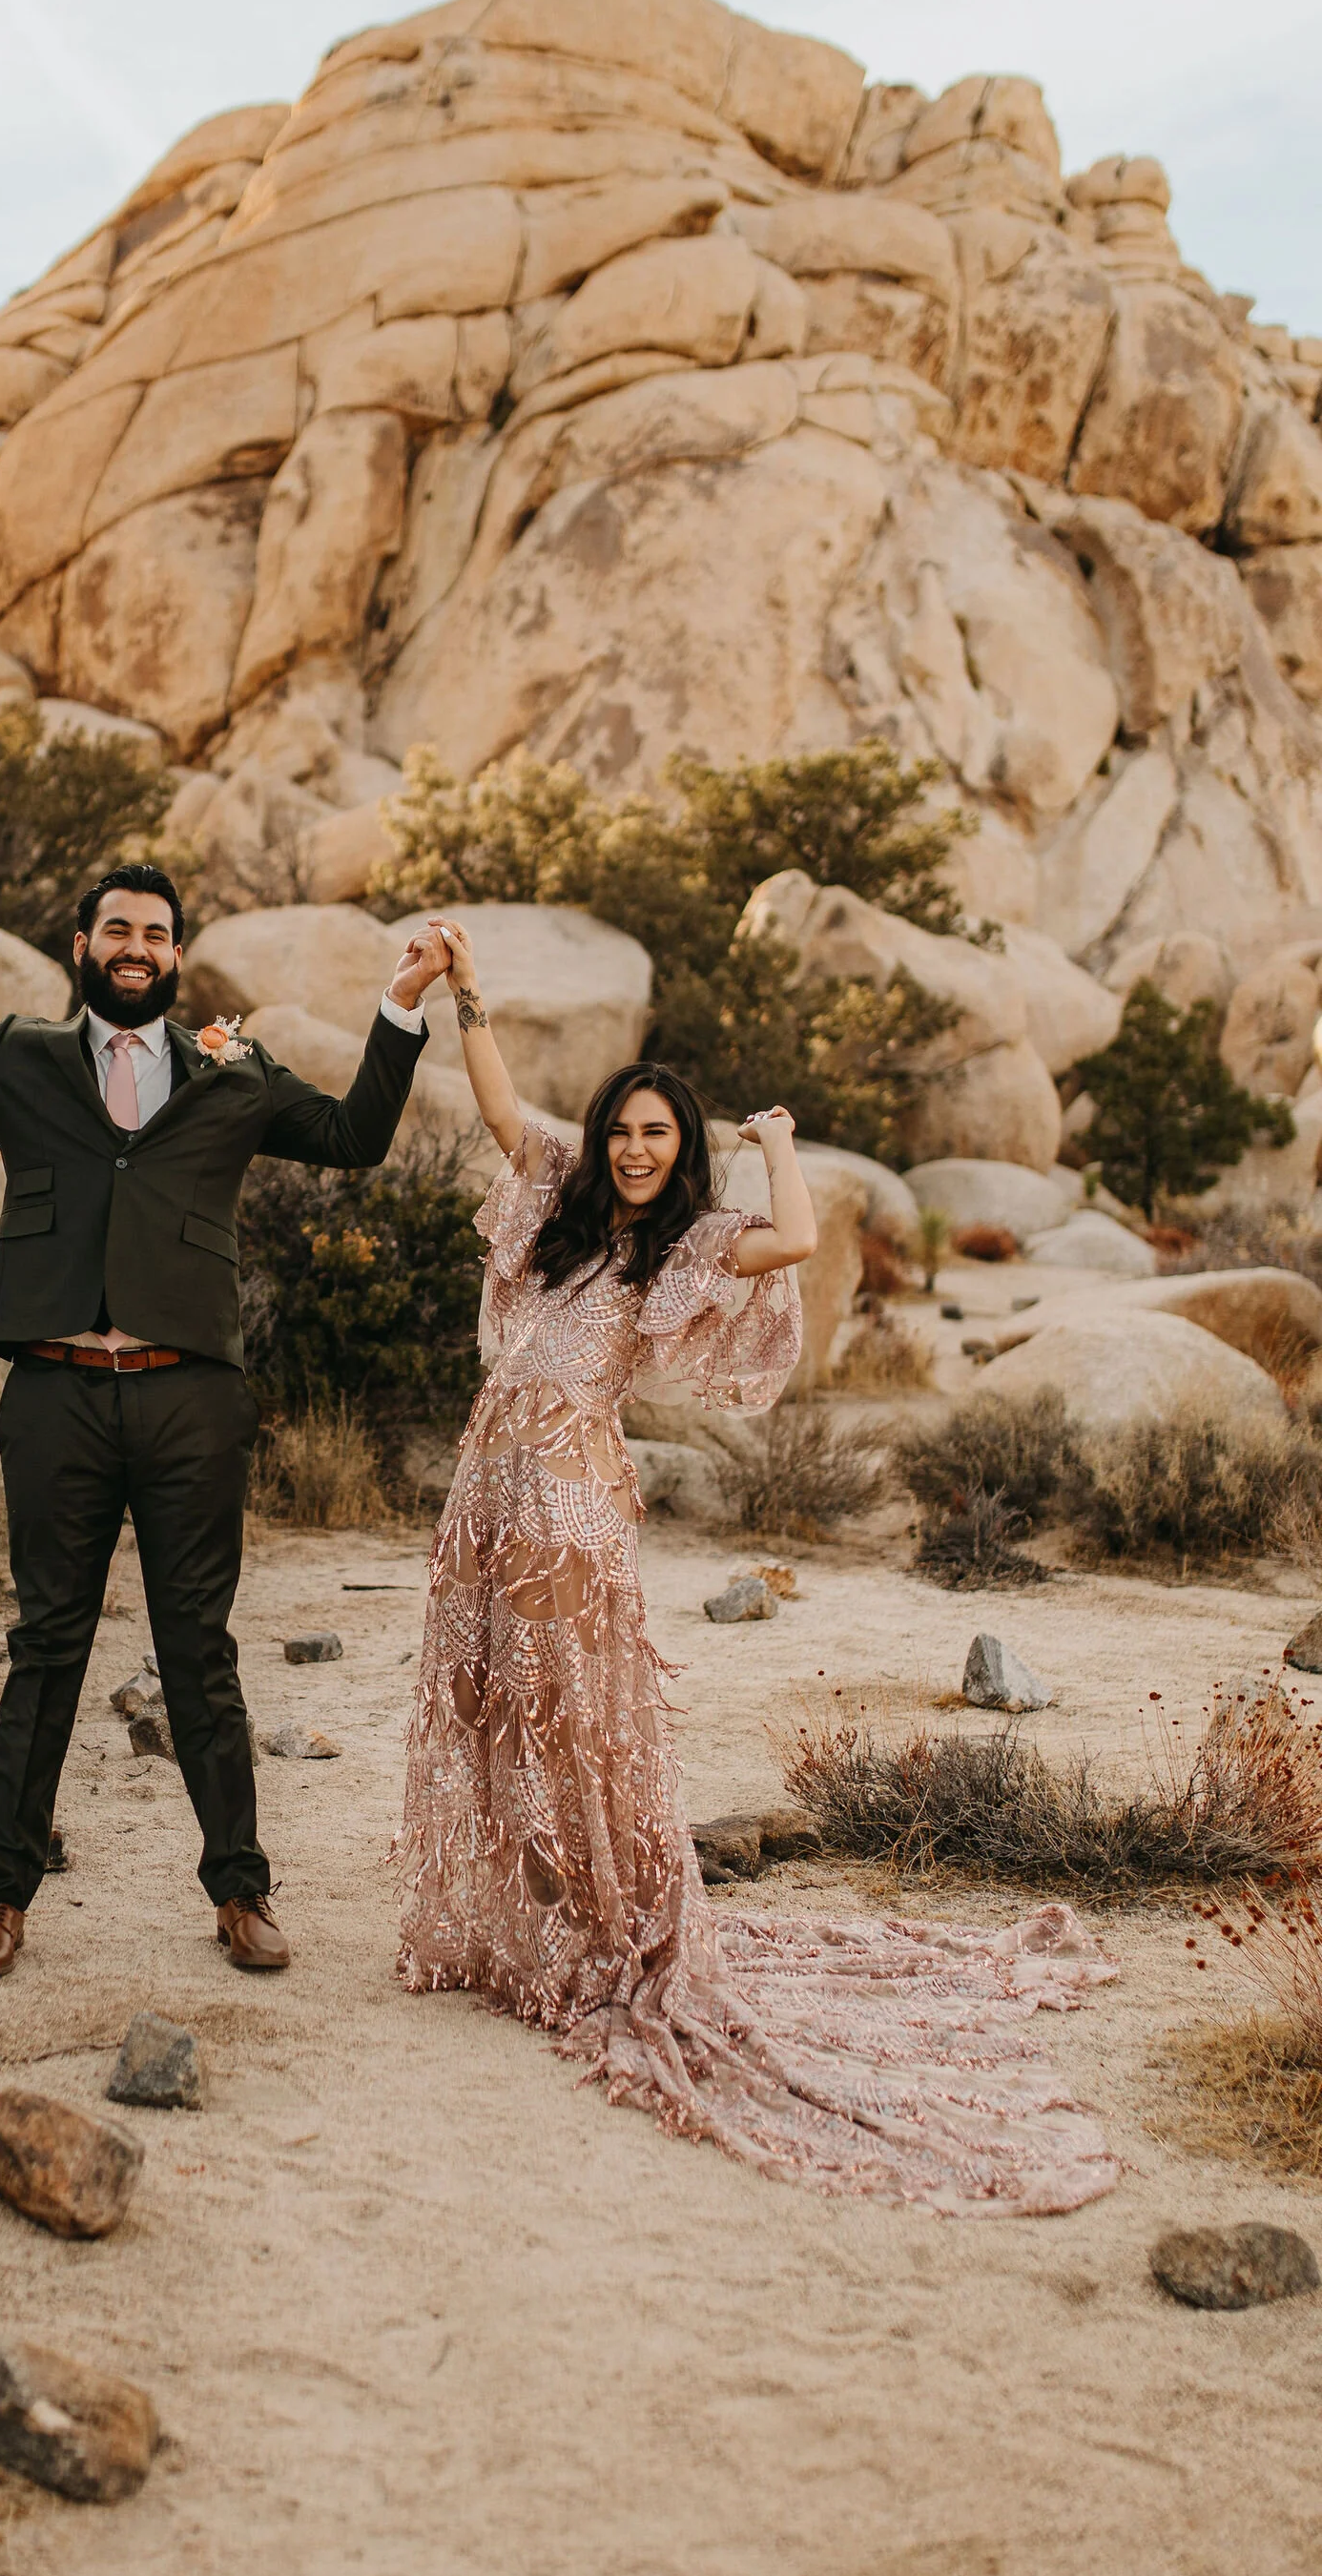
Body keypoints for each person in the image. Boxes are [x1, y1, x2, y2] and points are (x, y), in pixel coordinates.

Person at [397, 918, 1119, 2216]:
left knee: (570, 1701)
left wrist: (777, 1147)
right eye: (624, 1128)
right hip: (487, 1479)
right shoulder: (563, 1203)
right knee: (491, 1691)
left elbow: (791, 1245)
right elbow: (504, 1111)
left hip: (568, 1487)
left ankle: (610, 1921)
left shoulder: (686, 1246)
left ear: (680, 1152)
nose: (631, 1148)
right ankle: (532, 1912)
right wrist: (468, 991)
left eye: (655, 1136)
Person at [0, 843, 448, 1980]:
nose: (136, 951)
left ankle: (240, 1890)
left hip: (189, 1401)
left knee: (199, 1657)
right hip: (55, 1397)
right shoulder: (17, 1060)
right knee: (44, 1651)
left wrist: (399, 1003)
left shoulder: (233, 1069)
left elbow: (353, 1141)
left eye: (156, 935)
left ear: (177, 957)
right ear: (83, 948)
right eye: (116, 932)